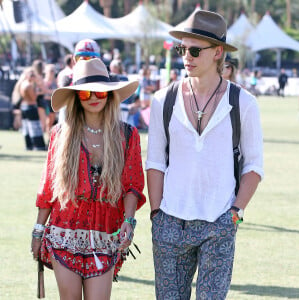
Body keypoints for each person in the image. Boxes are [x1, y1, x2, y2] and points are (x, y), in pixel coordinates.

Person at [146, 10, 264, 299]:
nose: (187, 56)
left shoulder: (243, 103)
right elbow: (155, 162)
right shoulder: (163, 99)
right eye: (182, 49)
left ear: (218, 52)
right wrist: (157, 214)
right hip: (170, 223)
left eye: (195, 50)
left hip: (219, 222)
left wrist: (234, 214)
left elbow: (254, 166)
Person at [31, 58, 146, 299]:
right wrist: (38, 231)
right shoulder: (61, 134)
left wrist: (129, 221)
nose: (93, 97)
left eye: (100, 92)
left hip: (106, 234)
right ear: (75, 98)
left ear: (110, 95)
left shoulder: (127, 135)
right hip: (64, 231)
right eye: (85, 93)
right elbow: (48, 188)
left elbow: (133, 185)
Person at [57, 39, 101, 124]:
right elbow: (64, 117)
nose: (84, 61)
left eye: (89, 58)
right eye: (80, 58)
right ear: (74, 59)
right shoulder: (68, 80)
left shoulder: (107, 79)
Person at [18, 67, 46, 150]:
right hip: (31, 106)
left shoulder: (22, 83)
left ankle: (29, 145)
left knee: (27, 128)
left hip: (24, 107)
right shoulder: (29, 85)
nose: (33, 76)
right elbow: (33, 98)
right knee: (35, 127)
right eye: (31, 74)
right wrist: (38, 92)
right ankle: (38, 146)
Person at [43, 64, 57, 137]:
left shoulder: (56, 81)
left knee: (52, 120)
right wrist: (53, 91)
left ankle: (50, 136)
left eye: (53, 71)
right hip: (47, 103)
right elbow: (44, 91)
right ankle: (48, 136)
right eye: (50, 71)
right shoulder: (44, 81)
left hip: (53, 102)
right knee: (49, 120)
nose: (52, 73)